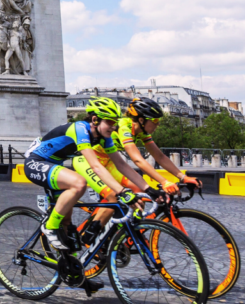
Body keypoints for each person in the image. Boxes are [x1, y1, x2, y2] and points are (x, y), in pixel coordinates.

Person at [24, 97, 158, 260]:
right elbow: (95, 167)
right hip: (36, 163)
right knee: (79, 183)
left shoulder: (104, 136)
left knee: (68, 227)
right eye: (109, 122)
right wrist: (122, 192)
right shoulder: (80, 129)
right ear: (95, 119)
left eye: (115, 122)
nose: (113, 126)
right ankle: (50, 226)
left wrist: (147, 188)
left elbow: (122, 165)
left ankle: (73, 270)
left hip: (54, 165)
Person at [76, 97, 201, 245]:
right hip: (89, 162)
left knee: (137, 192)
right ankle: (92, 236)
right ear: (141, 120)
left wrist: (182, 177)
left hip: (108, 163)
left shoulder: (141, 132)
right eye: (155, 121)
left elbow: (159, 156)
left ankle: (127, 232)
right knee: (113, 196)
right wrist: (164, 182)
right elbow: (137, 160)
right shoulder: (124, 127)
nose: (158, 124)